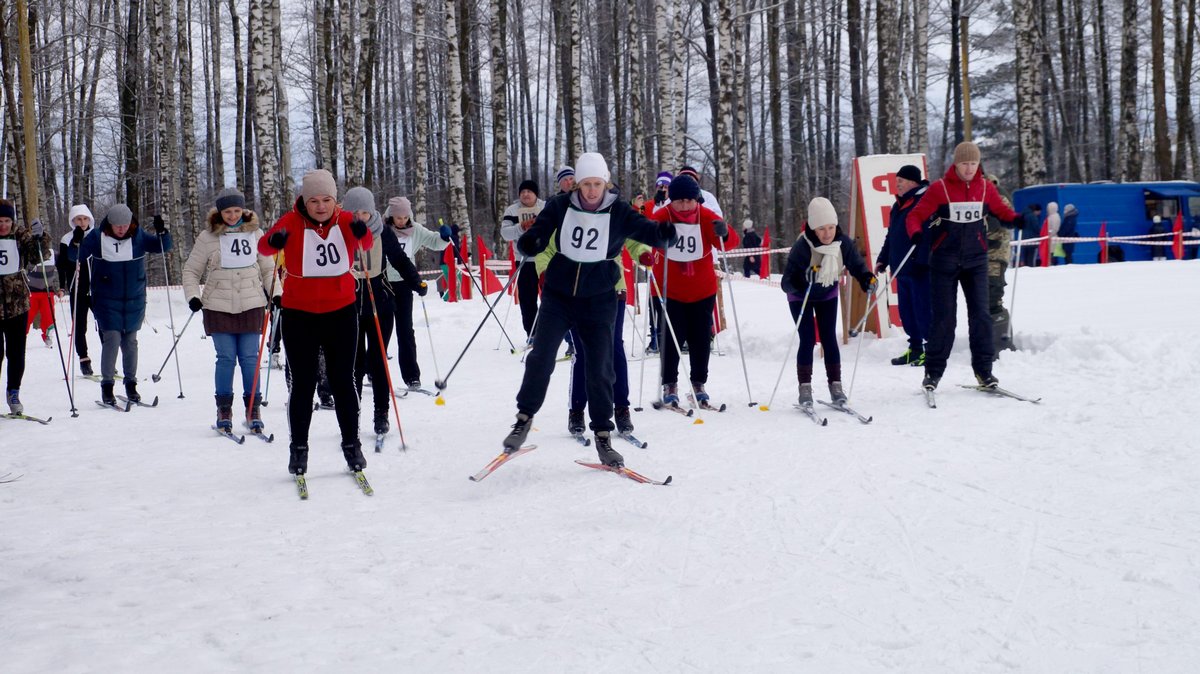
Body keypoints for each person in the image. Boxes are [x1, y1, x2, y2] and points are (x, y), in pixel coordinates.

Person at [501, 152, 675, 468]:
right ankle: (523, 419)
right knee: (541, 356)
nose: (592, 190)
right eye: (586, 184)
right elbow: (542, 230)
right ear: (577, 184)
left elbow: (643, 229)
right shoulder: (560, 205)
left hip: (599, 299)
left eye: (597, 184)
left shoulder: (618, 210)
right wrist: (531, 242)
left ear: (604, 183)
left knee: (600, 367)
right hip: (559, 295)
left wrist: (662, 235)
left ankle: (603, 436)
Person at [257, 169, 373, 477]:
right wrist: (275, 240)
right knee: (303, 383)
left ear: (335, 200)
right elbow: (264, 248)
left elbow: (367, 242)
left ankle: (352, 445)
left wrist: (361, 231)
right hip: (300, 314)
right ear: (304, 201)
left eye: (326, 200)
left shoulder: (345, 220)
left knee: (343, 381)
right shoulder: (291, 221)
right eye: (314, 201)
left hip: (340, 312)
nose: (320, 206)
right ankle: (299, 448)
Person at [905, 141, 1023, 391]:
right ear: (956, 164)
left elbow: (1001, 211)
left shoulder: (985, 188)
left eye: (974, 163)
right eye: (965, 164)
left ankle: (984, 372)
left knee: (981, 316)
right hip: (944, 261)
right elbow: (915, 215)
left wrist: (1017, 220)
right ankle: (933, 373)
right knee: (944, 320)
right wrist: (915, 232)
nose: (970, 169)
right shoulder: (940, 189)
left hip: (976, 261)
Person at [182, 188, 278, 434]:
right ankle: (224, 409)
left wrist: (276, 292)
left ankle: (253, 408)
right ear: (219, 212)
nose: (233, 216)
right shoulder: (207, 237)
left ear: (243, 210)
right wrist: (193, 296)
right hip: (218, 305)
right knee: (225, 358)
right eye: (227, 212)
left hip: (251, 304)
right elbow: (191, 270)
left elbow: (268, 269)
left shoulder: (256, 233)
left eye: (237, 211)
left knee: (249, 358)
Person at [645, 174, 736, 408]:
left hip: (702, 290)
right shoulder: (662, 216)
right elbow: (645, 236)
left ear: (696, 200)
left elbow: (729, 243)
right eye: (679, 201)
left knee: (701, 339)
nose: (685, 206)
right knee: (671, 338)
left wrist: (724, 232)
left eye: (689, 201)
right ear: (671, 200)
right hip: (670, 290)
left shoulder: (706, 216)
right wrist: (656, 236)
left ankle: (698, 384)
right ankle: (669, 384)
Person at [342, 186, 424, 436]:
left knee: (378, 361)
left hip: (380, 302)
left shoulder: (382, 231)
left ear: (372, 212)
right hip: (349, 304)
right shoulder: (339, 232)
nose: (360, 217)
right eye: (354, 212)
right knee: (354, 363)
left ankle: (381, 413)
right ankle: (352, 414)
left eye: (364, 212)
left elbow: (399, 259)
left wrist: (416, 282)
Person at [73, 204, 173, 406]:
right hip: (106, 299)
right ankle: (107, 386)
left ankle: (131, 385)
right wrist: (76, 241)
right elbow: (75, 256)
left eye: (125, 225)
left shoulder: (138, 236)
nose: (121, 229)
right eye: (117, 225)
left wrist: (163, 232)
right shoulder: (98, 237)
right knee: (112, 339)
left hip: (134, 299)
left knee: (130, 342)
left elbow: (162, 247)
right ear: (110, 223)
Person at [781, 198, 876, 406]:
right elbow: (786, 283)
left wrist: (867, 278)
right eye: (822, 229)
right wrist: (804, 278)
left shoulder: (843, 243)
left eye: (831, 227)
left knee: (829, 338)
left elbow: (857, 266)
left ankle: (836, 386)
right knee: (807, 339)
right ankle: (805, 388)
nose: (827, 233)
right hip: (801, 296)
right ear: (813, 228)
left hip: (826, 293)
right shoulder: (802, 247)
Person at [383, 196, 454, 389]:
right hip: (383, 283)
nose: (402, 221)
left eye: (405, 217)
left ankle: (412, 376)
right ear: (391, 215)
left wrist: (444, 237)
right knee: (382, 330)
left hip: (405, 283)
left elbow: (434, 242)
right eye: (398, 217)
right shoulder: (382, 229)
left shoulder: (415, 230)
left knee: (406, 330)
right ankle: (374, 370)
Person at [875, 164, 930, 366]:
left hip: (920, 267)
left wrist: (922, 258)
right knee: (907, 313)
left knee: (923, 311)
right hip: (901, 267)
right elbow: (892, 235)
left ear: (913, 182)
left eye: (901, 181)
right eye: (896, 181)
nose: (897, 184)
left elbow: (930, 235)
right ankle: (915, 348)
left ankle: (932, 350)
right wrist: (883, 258)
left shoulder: (925, 202)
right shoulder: (897, 206)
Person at [0, 200, 50, 413]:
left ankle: (13, 392)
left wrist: (41, 237)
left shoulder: (20, 235)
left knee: (16, 352)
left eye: (7, 221)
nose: (3, 225)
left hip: (17, 304)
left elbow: (40, 256)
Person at [499, 180, 546, 339]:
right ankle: (532, 333)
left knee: (550, 297)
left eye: (529, 191)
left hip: (544, 259)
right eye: (523, 192)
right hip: (523, 260)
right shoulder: (512, 210)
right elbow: (505, 234)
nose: (526, 194)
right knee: (527, 299)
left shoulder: (545, 207)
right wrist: (521, 227)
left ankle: (547, 332)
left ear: (536, 194)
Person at [56, 205, 96, 375]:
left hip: (96, 287)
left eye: (85, 218)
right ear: (73, 220)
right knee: (79, 325)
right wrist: (62, 285)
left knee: (104, 324)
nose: (82, 222)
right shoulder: (67, 239)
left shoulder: (96, 235)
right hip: (77, 286)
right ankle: (84, 359)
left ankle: (109, 360)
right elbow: (62, 265)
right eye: (79, 219)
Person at [984, 174, 1017, 356]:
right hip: (979, 254)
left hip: (995, 254)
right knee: (982, 298)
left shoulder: (997, 194)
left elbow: (998, 221)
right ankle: (987, 341)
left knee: (993, 295)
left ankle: (1001, 344)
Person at [25, 253, 59, 348]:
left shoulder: (52, 253)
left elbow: (56, 273)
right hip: (31, 290)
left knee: (49, 315)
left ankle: (48, 336)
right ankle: (20, 337)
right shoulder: (29, 251)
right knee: (27, 315)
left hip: (47, 290)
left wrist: (58, 288)